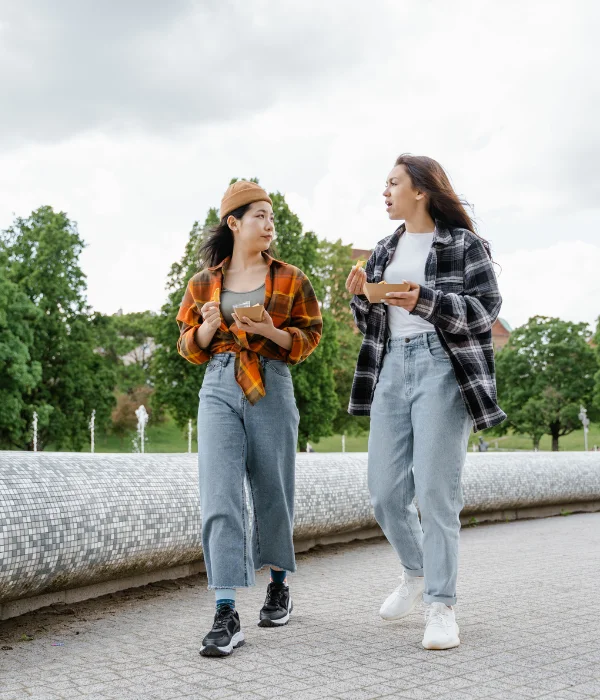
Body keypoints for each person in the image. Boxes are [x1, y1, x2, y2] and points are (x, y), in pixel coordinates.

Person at [346, 154, 505, 650]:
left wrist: (422, 300)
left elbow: (485, 311)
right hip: (392, 367)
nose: (385, 191)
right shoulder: (383, 249)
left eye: (393, 182)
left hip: (442, 365)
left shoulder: (463, 244)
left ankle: (441, 605)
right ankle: (416, 571)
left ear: (421, 190)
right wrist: (361, 298)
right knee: (384, 492)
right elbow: (368, 324)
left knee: (436, 492)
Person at [177, 181, 322, 657]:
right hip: (218, 384)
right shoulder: (202, 284)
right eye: (259, 215)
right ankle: (225, 611)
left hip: (271, 380)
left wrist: (270, 331)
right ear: (233, 223)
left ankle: (278, 584)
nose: (269, 223)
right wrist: (206, 329)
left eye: (271, 215)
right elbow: (187, 346)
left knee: (273, 489)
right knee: (219, 494)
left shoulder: (291, 278)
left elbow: (309, 337)